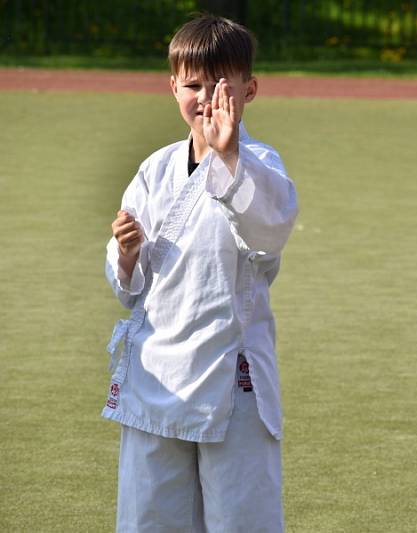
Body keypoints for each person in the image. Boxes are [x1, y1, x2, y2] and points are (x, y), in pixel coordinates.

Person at [103, 14, 298, 532]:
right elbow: (130, 288)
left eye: (220, 85)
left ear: (249, 89)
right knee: (151, 517)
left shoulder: (260, 163)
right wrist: (124, 255)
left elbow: (271, 232)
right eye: (192, 84)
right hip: (156, 373)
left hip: (229, 377)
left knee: (240, 518)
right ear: (173, 88)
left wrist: (230, 155)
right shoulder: (155, 169)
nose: (205, 97)